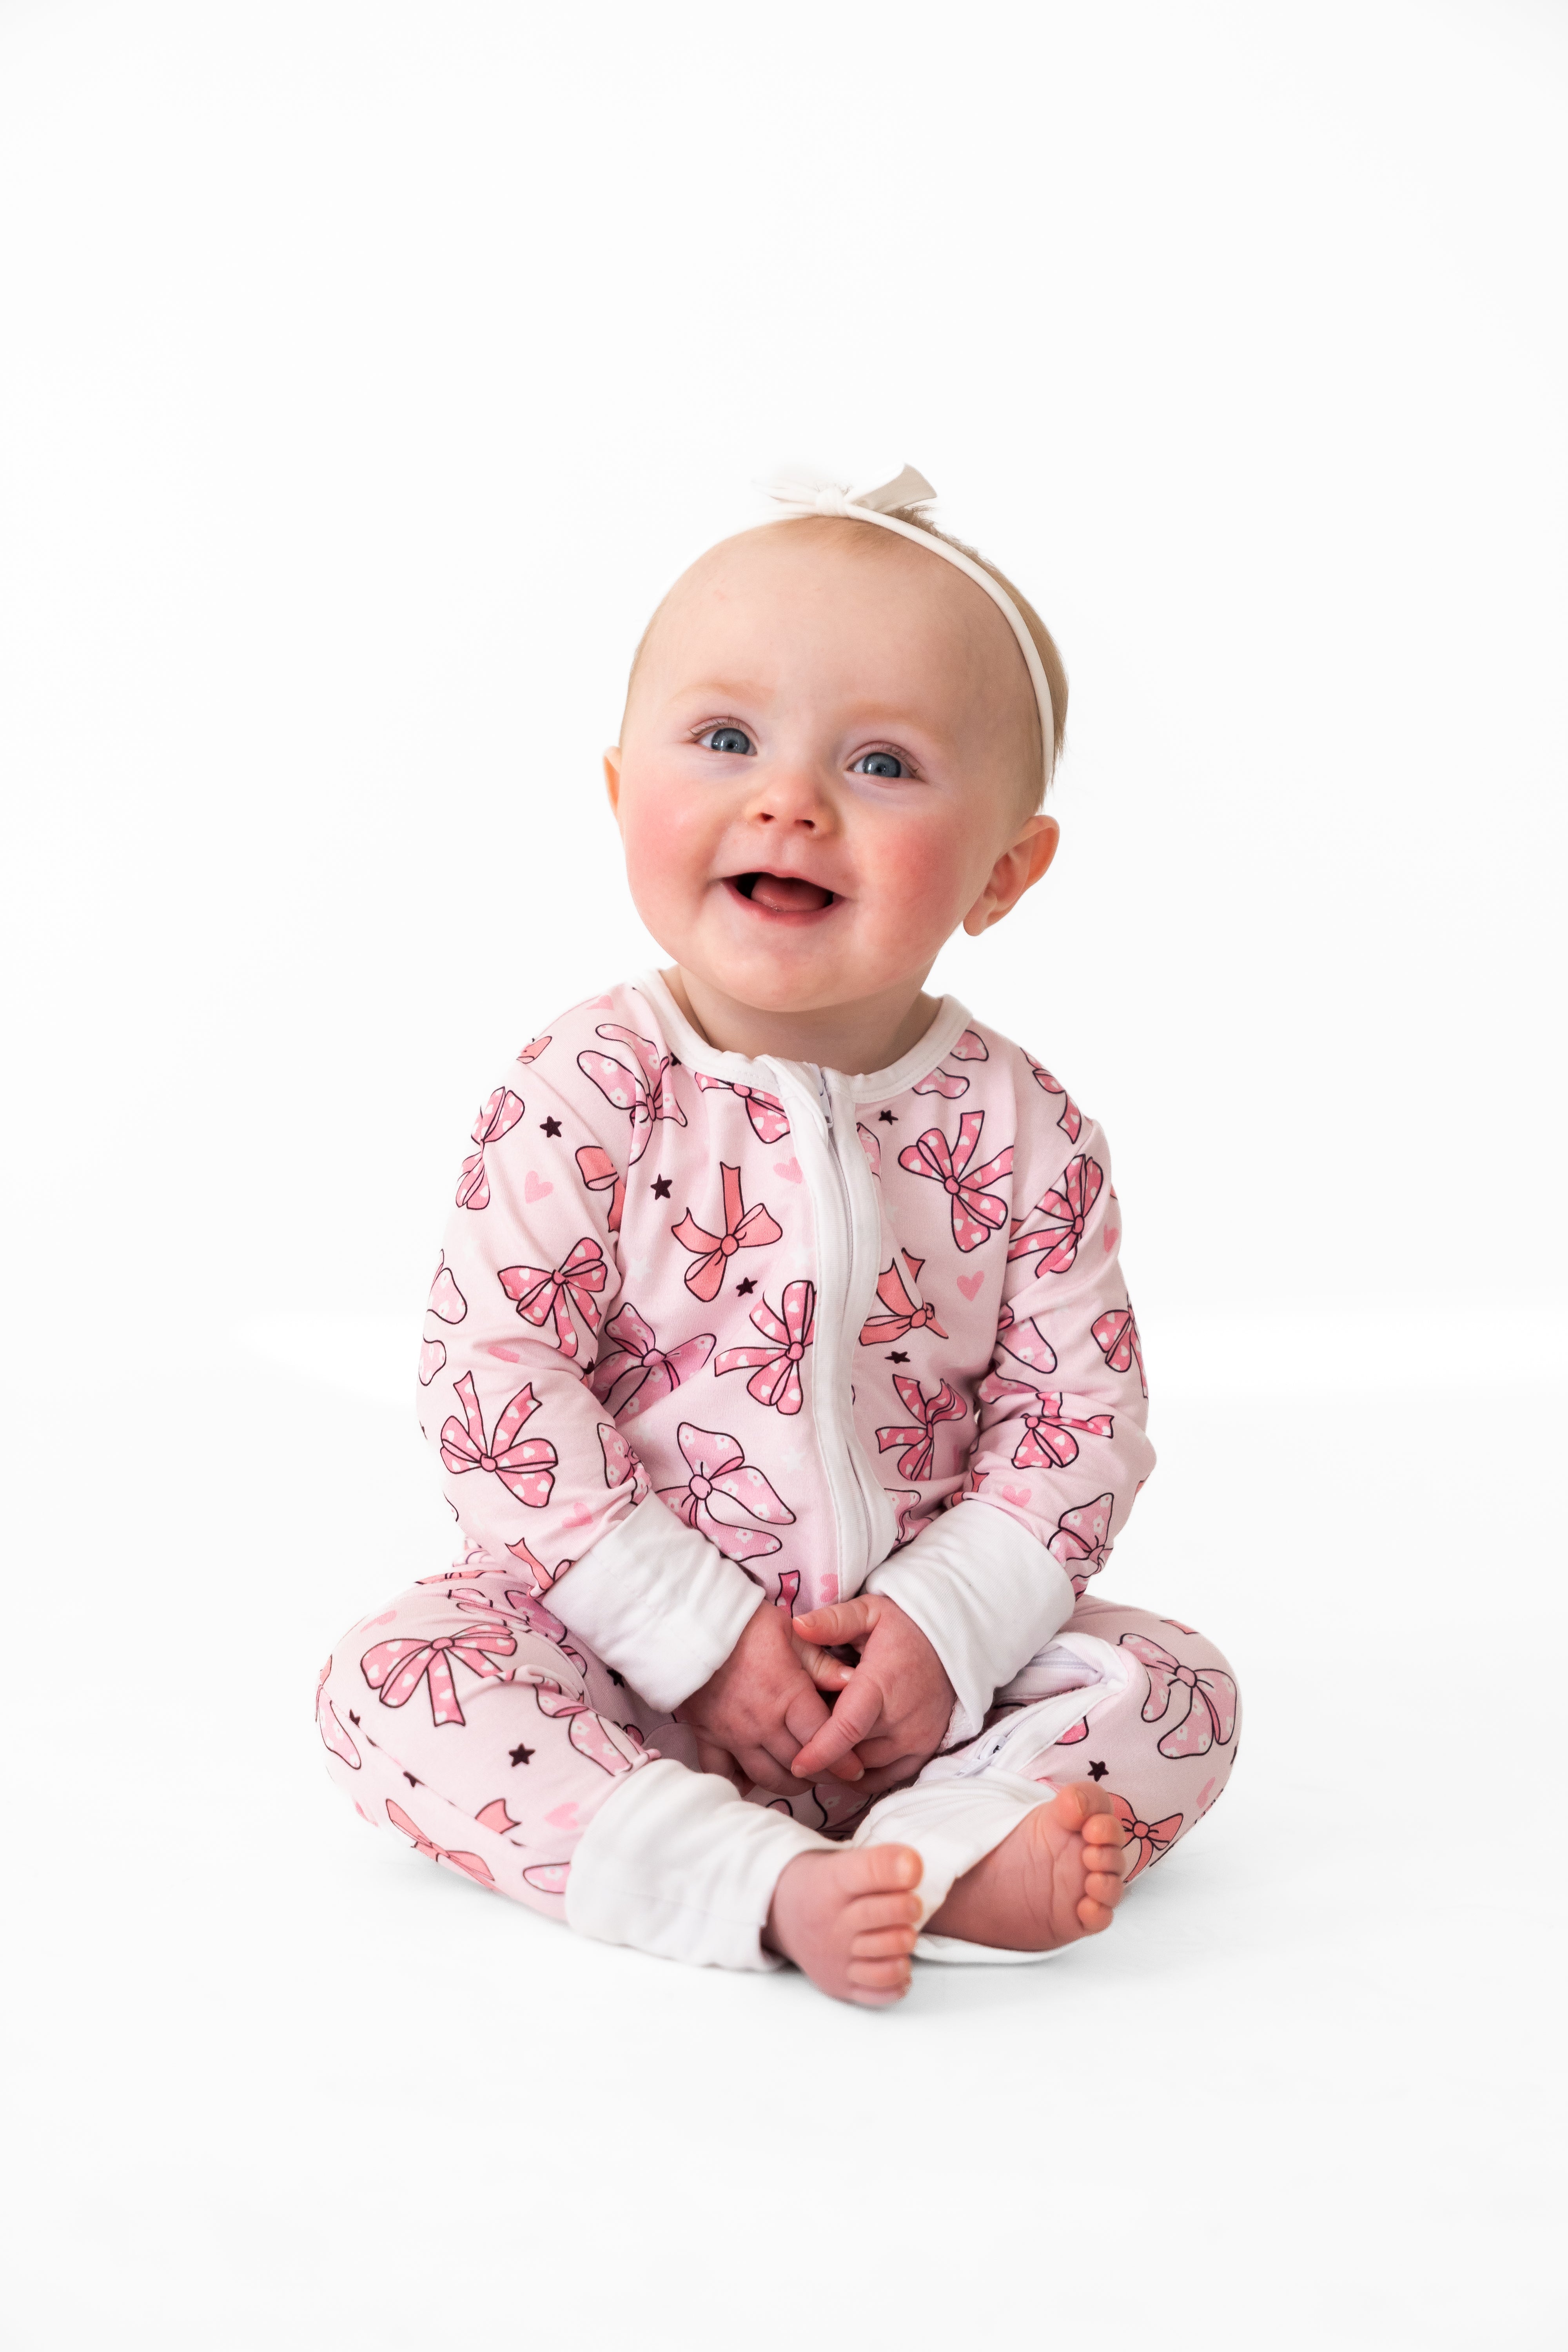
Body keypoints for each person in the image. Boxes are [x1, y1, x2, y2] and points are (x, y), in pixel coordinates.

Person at [316, 466, 1240, 2006]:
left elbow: (1079, 1418)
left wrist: (943, 1632)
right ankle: (747, 1877)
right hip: (618, 1663)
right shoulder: (587, 1088)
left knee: (1178, 1689)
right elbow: (497, 1386)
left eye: (881, 763)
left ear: (1004, 873)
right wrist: (698, 1638)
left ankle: (941, 1846)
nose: (790, 802)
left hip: (911, 1690)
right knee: (390, 1683)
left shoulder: (1022, 1128)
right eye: (728, 739)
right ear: (622, 793)